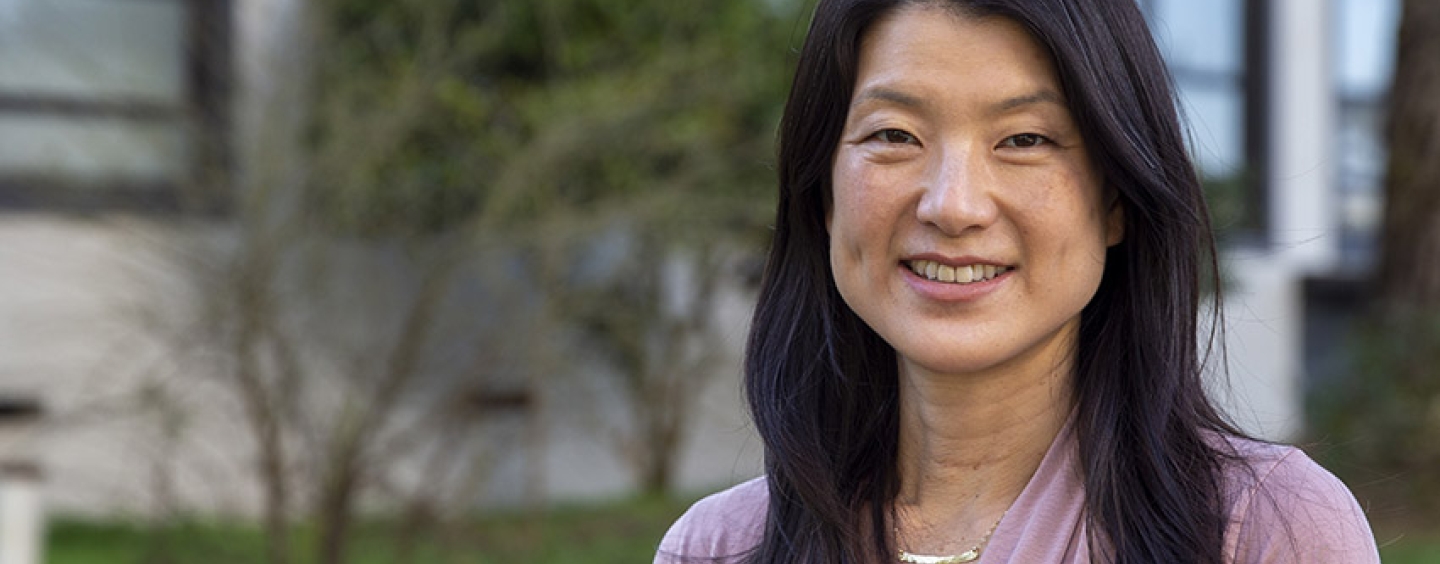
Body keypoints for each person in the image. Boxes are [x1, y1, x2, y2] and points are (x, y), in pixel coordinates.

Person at [654, 0, 1381, 562]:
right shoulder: (718, 547)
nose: (954, 205)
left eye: (1025, 140)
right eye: (894, 136)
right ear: (822, 196)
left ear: (1116, 200)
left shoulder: (1263, 531)